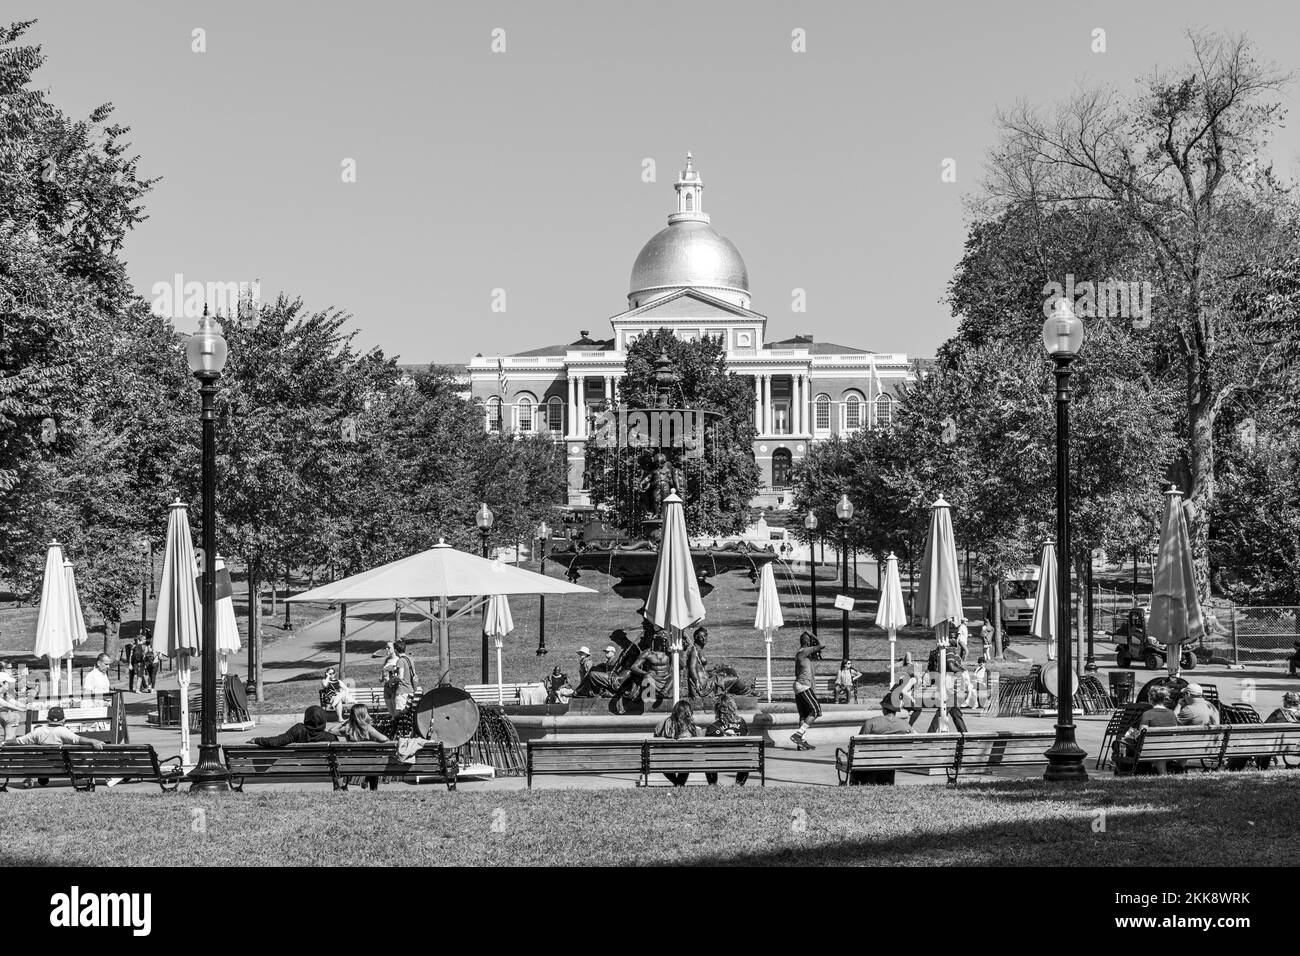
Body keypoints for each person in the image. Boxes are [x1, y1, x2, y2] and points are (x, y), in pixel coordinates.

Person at [851, 689, 915, 784]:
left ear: (884, 708)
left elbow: (858, 745)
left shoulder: (871, 723)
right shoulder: (905, 726)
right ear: (896, 710)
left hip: (868, 764)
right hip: (891, 763)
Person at [1118, 685, 1178, 774]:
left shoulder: (1147, 714)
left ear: (1150, 698)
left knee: (1125, 739)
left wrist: (1132, 734)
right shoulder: (1172, 713)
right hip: (1168, 747)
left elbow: (1142, 736)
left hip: (1150, 748)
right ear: (1163, 699)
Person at [653, 699, 698, 786]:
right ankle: (679, 784)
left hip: (665, 760)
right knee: (687, 759)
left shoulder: (663, 724)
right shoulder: (690, 727)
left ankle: (677, 783)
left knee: (663, 761)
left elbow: (656, 742)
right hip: (686, 760)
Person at [790, 631, 822, 751]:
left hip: (799, 685)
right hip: (803, 686)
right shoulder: (803, 651)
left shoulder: (801, 653)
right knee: (816, 710)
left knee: (803, 715)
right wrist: (812, 635)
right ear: (808, 642)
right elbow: (821, 645)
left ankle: (801, 743)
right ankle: (798, 735)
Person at [250, 705, 338, 746]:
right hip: (324, 770)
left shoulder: (298, 729)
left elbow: (277, 741)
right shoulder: (331, 738)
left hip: (299, 767)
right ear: (323, 719)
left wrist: (257, 740)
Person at [383, 640, 419, 716]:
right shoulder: (410, 659)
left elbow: (400, 677)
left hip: (402, 692)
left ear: (395, 650)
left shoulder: (400, 660)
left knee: (399, 716)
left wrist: (391, 680)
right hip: (410, 690)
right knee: (407, 715)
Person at [0, 665, 26, 743]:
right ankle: (7, 750)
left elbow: (12, 702)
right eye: (8, 683)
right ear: (2, 683)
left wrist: (26, 706)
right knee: (13, 717)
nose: (10, 685)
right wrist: (22, 709)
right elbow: (5, 704)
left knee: (12, 717)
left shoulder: (4, 694)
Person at [685, 627, 709, 699]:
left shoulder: (699, 650)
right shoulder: (694, 651)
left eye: (705, 636)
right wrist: (696, 682)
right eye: (701, 637)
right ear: (696, 638)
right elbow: (692, 668)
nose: (704, 639)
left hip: (704, 680)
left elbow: (700, 668)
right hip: (701, 685)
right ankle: (744, 690)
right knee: (732, 679)